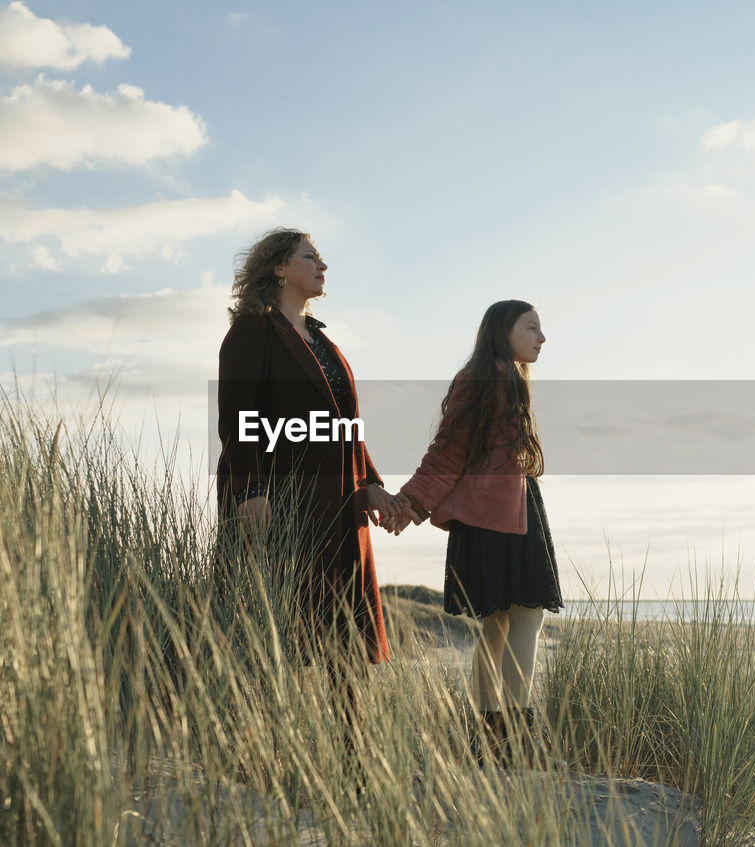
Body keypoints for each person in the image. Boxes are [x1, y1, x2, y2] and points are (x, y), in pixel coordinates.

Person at [215, 227, 397, 668]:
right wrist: (250, 492)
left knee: (344, 643)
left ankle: (344, 739)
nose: (323, 266)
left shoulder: (323, 341)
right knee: (282, 637)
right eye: (310, 257)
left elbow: (345, 424)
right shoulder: (252, 331)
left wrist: (369, 482)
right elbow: (238, 418)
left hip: (337, 505)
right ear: (279, 268)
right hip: (281, 501)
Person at [394, 300, 563, 764]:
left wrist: (411, 503)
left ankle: (491, 741)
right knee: (526, 616)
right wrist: (410, 502)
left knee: (500, 623)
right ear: (501, 331)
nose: (542, 338)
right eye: (531, 327)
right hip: (496, 515)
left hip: (507, 509)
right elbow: (449, 450)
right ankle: (517, 740)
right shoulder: (483, 378)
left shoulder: (502, 377)